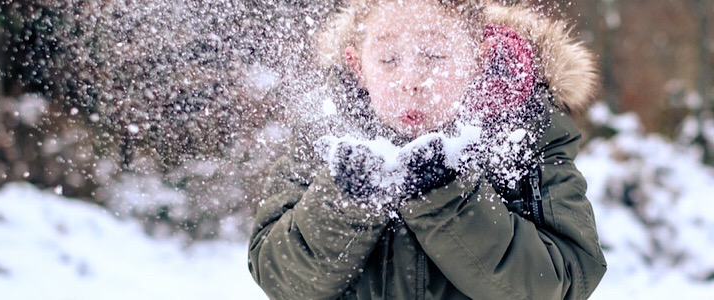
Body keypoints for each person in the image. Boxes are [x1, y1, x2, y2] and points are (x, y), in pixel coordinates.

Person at [248, 0, 607, 299]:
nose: (411, 82)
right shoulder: (327, 135)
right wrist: (348, 198)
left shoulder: (520, 134)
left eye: (434, 55)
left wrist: (447, 196)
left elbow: (561, 282)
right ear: (359, 67)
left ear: (478, 59)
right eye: (388, 59)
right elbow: (281, 278)